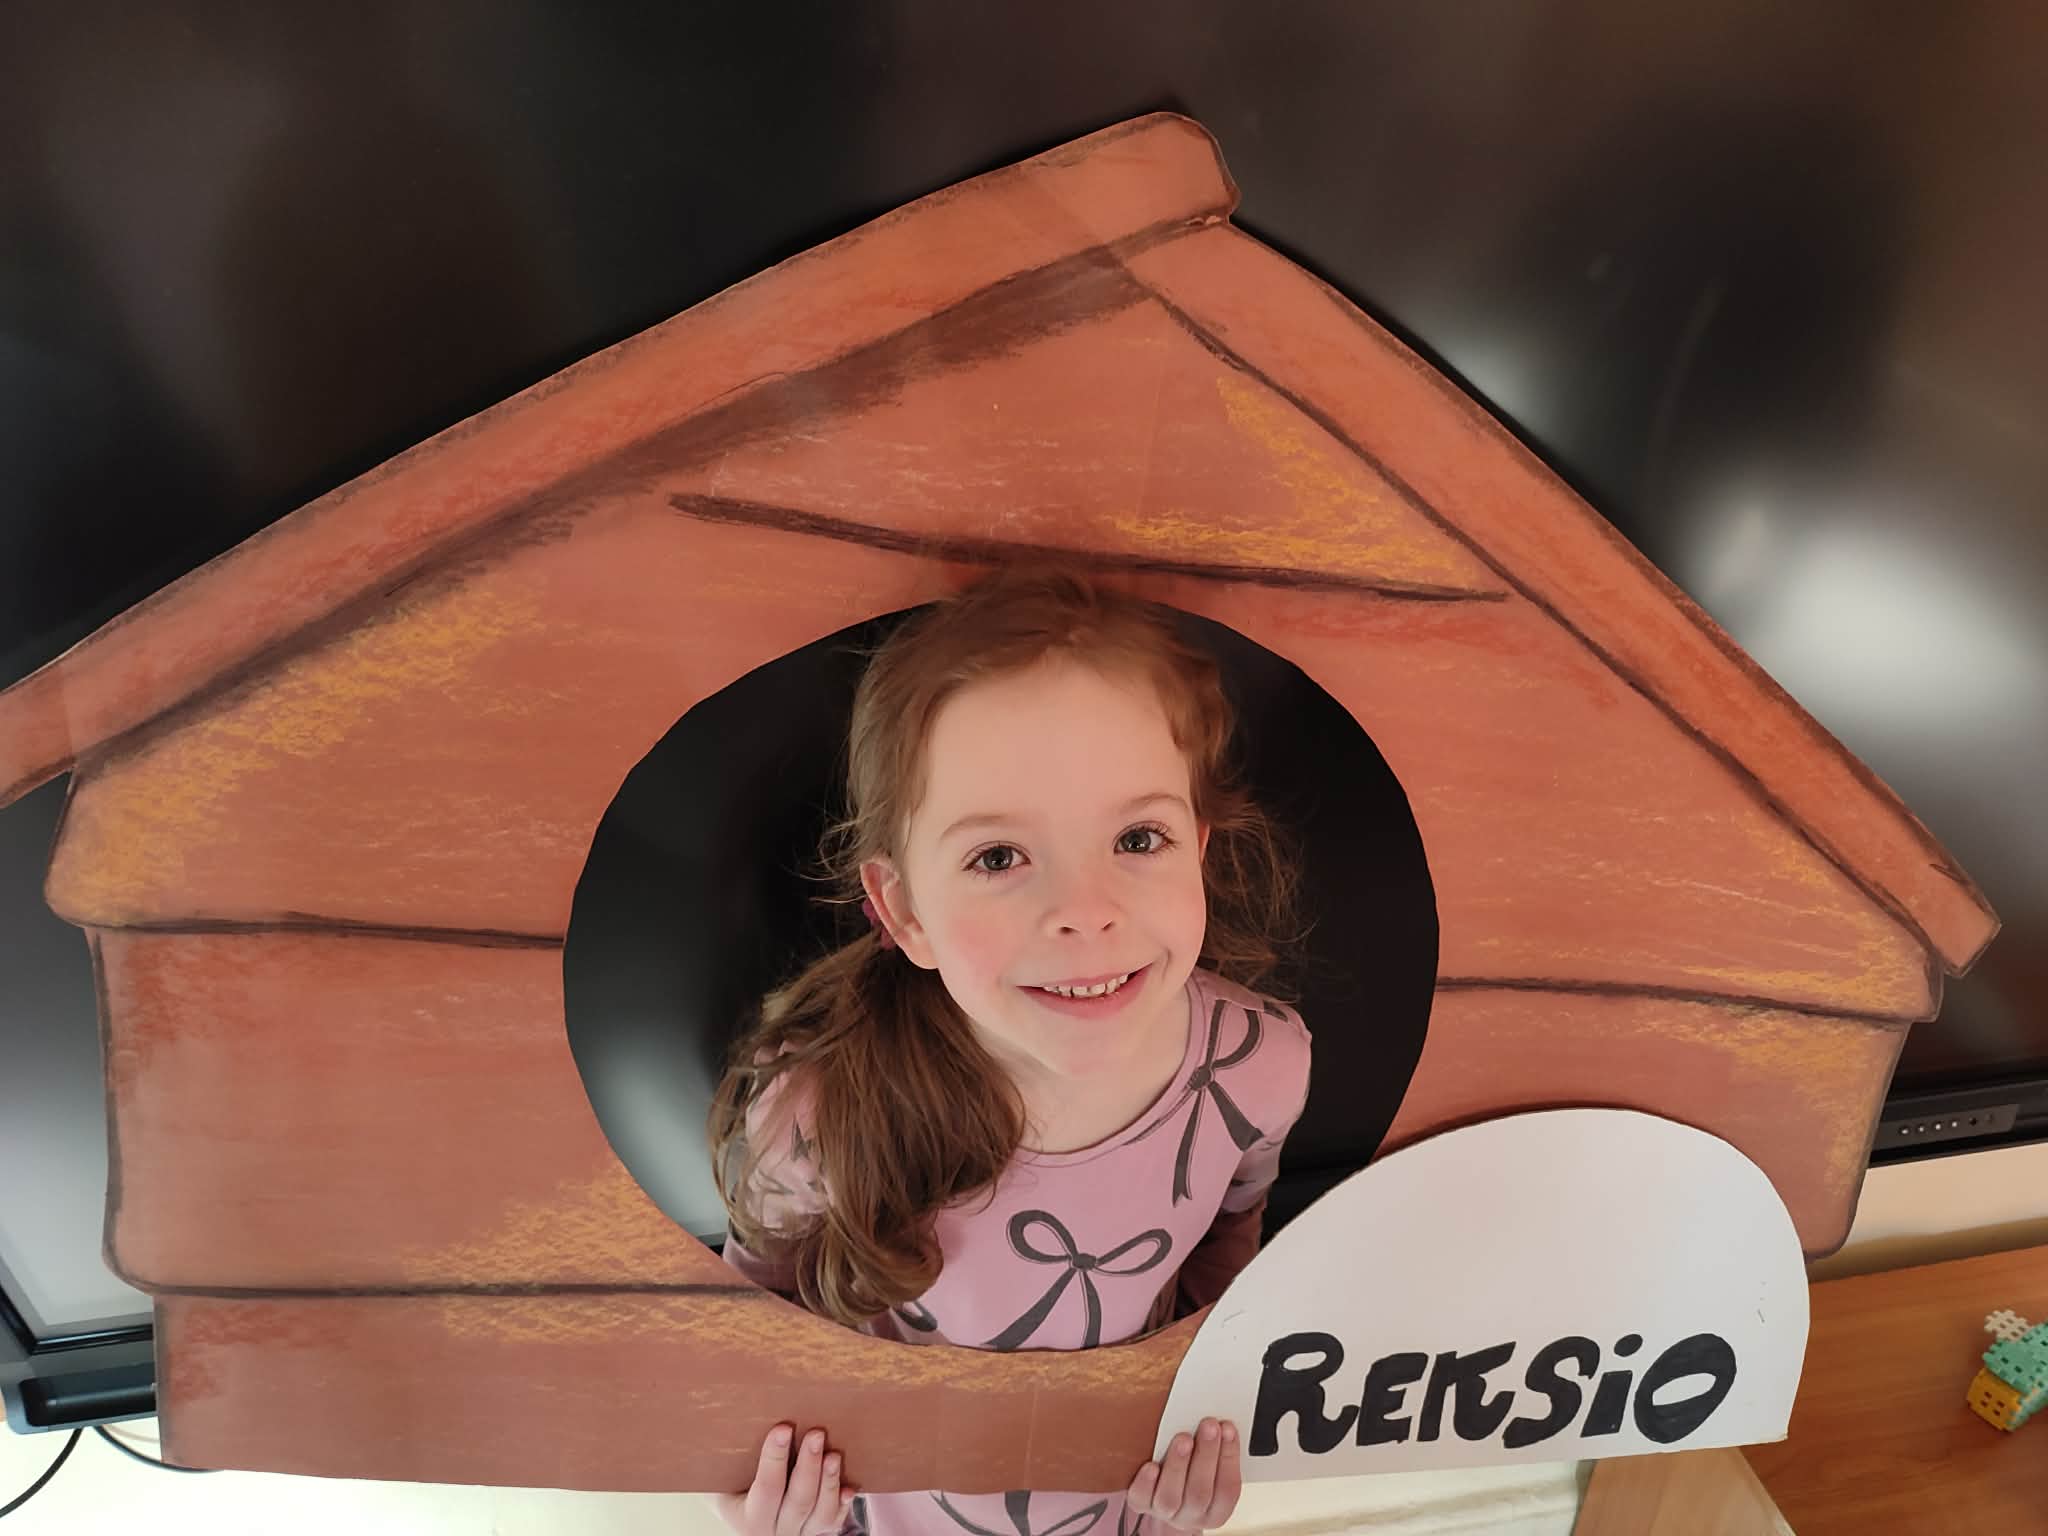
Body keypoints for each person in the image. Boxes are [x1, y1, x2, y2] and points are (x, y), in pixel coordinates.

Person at [706, 568, 1313, 1536]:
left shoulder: (1260, 1066)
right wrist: (756, 1485)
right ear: (903, 910)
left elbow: (1226, 1257)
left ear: (1198, 849)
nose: (1085, 912)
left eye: (1138, 838)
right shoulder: (818, 1108)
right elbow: (747, 1325)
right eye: (997, 856)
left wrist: (1206, 1440)